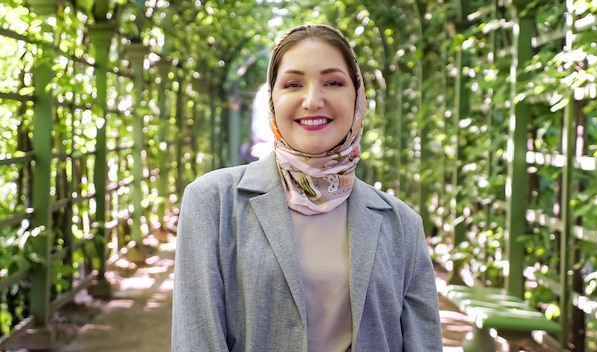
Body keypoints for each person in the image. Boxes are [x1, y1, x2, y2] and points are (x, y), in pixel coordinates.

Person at [171, 24, 443, 351]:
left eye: (333, 82)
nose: (313, 100)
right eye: (293, 84)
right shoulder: (212, 203)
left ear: (358, 96)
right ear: (272, 98)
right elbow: (197, 340)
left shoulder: (402, 225)